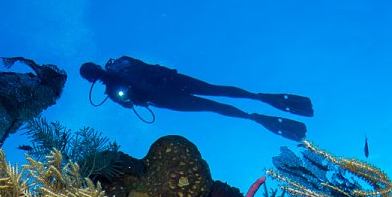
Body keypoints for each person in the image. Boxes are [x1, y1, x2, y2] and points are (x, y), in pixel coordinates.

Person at [79, 56, 313, 140]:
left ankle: (259, 101)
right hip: (169, 94)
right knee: (213, 101)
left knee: (214, 94)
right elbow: (132, 102)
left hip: (170, 87)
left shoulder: (119, 65)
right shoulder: (112, 89)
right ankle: (255, 113)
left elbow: (139, 76)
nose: (94, 74)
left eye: (91, 71)